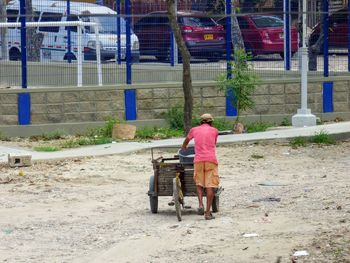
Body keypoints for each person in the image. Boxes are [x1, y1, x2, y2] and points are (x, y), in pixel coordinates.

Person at [181, 113, 219, 220]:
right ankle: (207, 213)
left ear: (200, 122)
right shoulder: (215, 131)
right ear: (211, 122)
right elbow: (213, 143)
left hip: (198, 160)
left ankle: (200, 204)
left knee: (199, 183)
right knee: (210, 185)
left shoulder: (194, 129)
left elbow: (187, 140)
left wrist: (184, 146)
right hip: (211, 160)